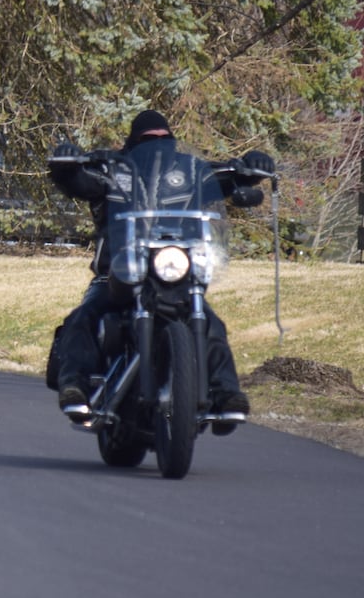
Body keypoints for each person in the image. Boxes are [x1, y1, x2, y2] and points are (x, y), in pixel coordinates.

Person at [47, 109, 274, 424]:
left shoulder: (190, 173)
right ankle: (75, 386)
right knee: (83, 317)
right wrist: (66, 167)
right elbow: (79, 182)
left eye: (164, 138)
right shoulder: (111, 170)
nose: (157, 144)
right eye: (148, 138)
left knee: (210, 322)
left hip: (172, 273)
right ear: (133, 141)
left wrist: (250, 171)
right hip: (118, 272)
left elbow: (225, 182)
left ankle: (225, 394)